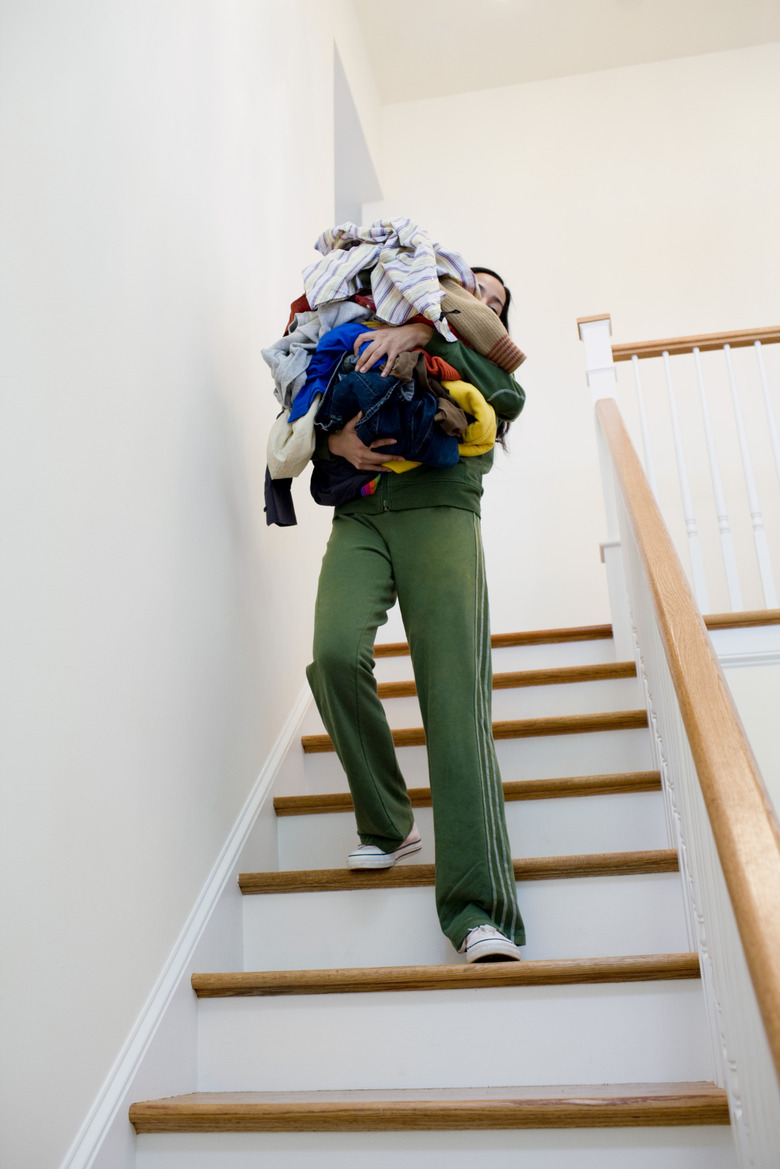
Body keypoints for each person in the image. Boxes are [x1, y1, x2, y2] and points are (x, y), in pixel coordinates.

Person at [305, 266, 527, 963]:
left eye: (493, 304)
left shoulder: (473, 357)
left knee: (453, 697)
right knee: (335, 654)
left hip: (441, 509)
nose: (481, 303)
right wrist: (333, 441)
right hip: (362, 511)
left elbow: (506, 394)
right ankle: (388, 821)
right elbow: (314, 400)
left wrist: (426, 330)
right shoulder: (369, 326)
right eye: (473, 290)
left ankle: (477, 909)